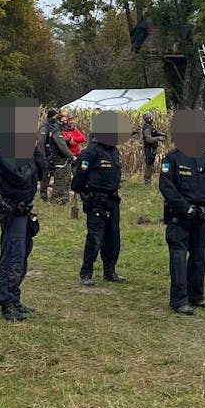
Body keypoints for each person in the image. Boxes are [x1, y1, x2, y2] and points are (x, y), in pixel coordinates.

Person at [159, 111, 205, 315]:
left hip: (201, 216)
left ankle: (196, 296)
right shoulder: (173, 159)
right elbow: (167, 187)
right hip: (181, 217)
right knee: (178, 258)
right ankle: (179, 300)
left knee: (198, 257)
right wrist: (186, 208)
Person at [0, 103, 42, 320]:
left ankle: (15, 297)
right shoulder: (5, 152)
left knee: (22, 256)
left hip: (24, 209)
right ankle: (7, 301)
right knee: (13, 256)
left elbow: (41, 171)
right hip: (12, 210)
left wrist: (35, 149)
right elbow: (20, 176)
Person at [72, 114, 127, 287]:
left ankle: (110, 270)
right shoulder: (91, 151)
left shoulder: (113, 151)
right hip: (96, 200)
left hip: (112, 199)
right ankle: (86, 271)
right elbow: (79, 177)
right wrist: (84, 194)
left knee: (113, 237)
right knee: (95, 237)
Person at [39, 110, 73, 203]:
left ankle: (50, 198)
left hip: (52, 156)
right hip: (47, 157)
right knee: (45, 178)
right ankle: (43, 197)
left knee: (52, 177)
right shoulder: (45, 128)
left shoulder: (54, 128)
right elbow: (40, 144)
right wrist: (42, 157)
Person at [139, 112, 167, 184]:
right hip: (149, 149)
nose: (153, 118)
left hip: (152, 149)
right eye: (151, 117)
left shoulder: (150, 126)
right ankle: (147, 181)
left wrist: (162, 134)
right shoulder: (146, 128)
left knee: (151, 164)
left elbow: (155, 132)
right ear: (148, 119)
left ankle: (148, 180)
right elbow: (148, 139)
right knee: (149, 165)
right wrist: (158, 138)